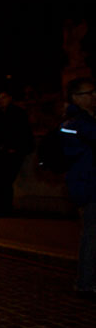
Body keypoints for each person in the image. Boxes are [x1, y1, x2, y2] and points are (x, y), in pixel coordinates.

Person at [61, 77, 96, 300]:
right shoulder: (73, 123)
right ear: (76, 97)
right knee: (92, 235)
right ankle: (86, 281)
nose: (94, 97)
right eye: (88, 93)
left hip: (89, 182)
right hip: (88, 185)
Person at [0, 86, 34, 216]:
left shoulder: (17, 113)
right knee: (2, 180)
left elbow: (21, 133)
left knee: (5, 180)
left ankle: (0, 207)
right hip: (1, 152)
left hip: (14, 151)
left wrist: (14, 147)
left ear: (9, 98)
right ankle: (0, 207)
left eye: (2, 98)